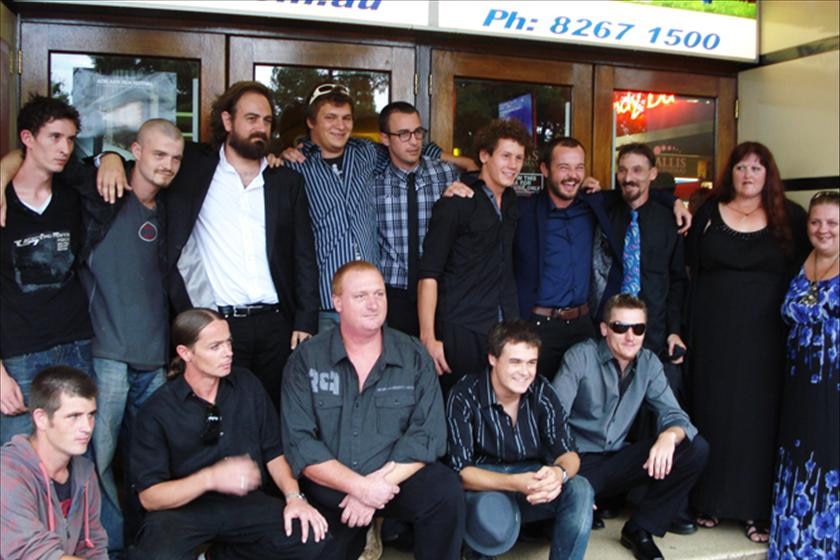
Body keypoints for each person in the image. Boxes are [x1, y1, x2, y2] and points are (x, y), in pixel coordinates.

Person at [103, 81, 319, 407]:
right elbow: (149, 158)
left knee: (272, 417)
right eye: (251, 118)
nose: (260, 127)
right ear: (228, 121)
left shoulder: (285, 180)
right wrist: (109, 158)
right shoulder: (192, 166)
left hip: (277, 325)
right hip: (217, 325)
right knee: (218, 417)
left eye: (266, 120)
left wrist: (305, 319)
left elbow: (303, 255)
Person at [281, 260, 465, 560]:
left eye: (379, 294)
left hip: (395, 482)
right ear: (337, 302)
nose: (373, 304)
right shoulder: (306, 360)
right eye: (361, 296)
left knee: (445, 492)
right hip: (333, 489)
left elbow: (429, 434)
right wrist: (358, 488)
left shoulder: (414, 354)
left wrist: (376, 487)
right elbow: (299, 443)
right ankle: (361, 533)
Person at [129, 308, 327, 560]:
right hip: (182, 509)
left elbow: (274, 451)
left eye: (228, 342)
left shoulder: (247, 384)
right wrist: (210, 478)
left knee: (311, 536)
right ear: (185, 353)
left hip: (243, 504)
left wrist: (294, 497)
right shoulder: (157, 410)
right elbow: (150, 497)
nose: (228, 352)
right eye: (215, 347)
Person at [686, 142, 809, 541]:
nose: (748, 175)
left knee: (760, 420)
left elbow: (814, 265)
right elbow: (686, 267)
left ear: (768, 174)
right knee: (711, 412)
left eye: (757, 168)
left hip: (768, 340)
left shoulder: (790, 216)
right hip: (711, 336)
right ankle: (709, 501)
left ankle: (757, 510)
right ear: (730, 172)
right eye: (741, 167)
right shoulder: (706, 212)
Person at [280, 84, 469, 333]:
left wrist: (464, 167)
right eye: (331, 117)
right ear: (311, 122)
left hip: (373, 303)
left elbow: (407, 146)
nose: (340, 125)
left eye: (346, 118)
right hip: (326, 303)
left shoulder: (366, 154)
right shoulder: (293, 167)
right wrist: (279, 153)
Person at [515, 137, 691, 380]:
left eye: (579, 168)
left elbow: (637, 193)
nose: (572, 175)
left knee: (586, 404)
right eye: (564, 167)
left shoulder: (592, 205)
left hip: (583, 327)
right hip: (538, 325)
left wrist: (675, 201)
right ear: (545, 170)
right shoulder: (522, 211)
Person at [554, 294, 709, 560]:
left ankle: (640, 528)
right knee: (558, 513)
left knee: (694, 447)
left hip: (616, 461)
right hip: (577, 462)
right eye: (620, 327)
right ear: (604, 329)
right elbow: (552, 422)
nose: (630, 336)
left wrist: (669, 436)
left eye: (638, 328)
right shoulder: (580, 357)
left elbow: (676, 415)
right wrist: (566, 472)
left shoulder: (649, 362)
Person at [446, 320, 593, 559]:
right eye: (515, 362)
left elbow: (569, 453)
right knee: (487, 524)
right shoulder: (464, 395)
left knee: (581, 489)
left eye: (531, 363)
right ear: (493, 358)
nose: (525, 372)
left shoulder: (541, 390)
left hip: (530, 478)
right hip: (484, 484)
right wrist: (515, 482)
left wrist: (558, 474)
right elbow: (461, 473)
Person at [0, 95, 94, 444]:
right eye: (54, 137)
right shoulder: (4, 201)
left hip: (75, 342)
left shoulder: (73, 197)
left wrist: (113, 158)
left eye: (70, 139)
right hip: (19, 351)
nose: (65, 148)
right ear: (27, 138)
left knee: (77, 448)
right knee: (17, 453)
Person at [419, 119, 532, 393]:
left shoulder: (514, 203)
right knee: (459, 409)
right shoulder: (457, 202)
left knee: (496, 412)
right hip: (462, 328)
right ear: (484, 156)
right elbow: (428, 275)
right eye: (505, 156)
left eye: (518, 158)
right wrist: (428, 338)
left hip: (504, 329)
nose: (513, 165)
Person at [769, 190, 839, 559]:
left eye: (832, 223)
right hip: (798, 385)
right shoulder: (800, 261)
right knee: (800, 463)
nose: (823, 229)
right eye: (816, 222)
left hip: (834, 388)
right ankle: (795, 544)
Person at [1, 365, 108, 559]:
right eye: (74, 416)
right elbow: (34, 554)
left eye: (91, 415)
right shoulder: (8, 474)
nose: (87, 427)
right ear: (41, 419)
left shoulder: (85, 473)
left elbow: (94, 546)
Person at [374, 101, 462, 336]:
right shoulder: (373, 182)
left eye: (418, 132)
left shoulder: (446, 174)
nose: (414, 141)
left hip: (438, 290)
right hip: (393, 292)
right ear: (385, 138)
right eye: (403, 134)